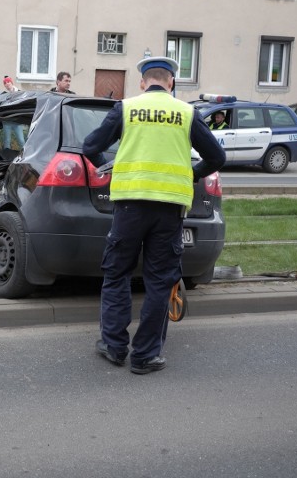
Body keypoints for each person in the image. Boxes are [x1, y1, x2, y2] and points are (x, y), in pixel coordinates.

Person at [82, 56, 225, 375]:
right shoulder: (187, 113)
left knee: (117, 273)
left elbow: (89, 146)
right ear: (171, 83)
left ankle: (115, 346)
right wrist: (193, 173)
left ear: (143, 82)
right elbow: (217, 156)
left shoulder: (127, 108)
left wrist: (106, 167)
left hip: (130, 206)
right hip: (169, 209)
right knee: (160, 281)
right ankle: (145, 356)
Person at [1, 76, 25, 149]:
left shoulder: (20, 92)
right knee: (7, 141)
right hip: (7, 121)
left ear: (11, 82)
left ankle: (25, 156)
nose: (7, 84)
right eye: (5, 83)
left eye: (8, 82)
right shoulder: (4, 94)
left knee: (21, 140)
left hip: (17, 121)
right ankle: (6, 158)